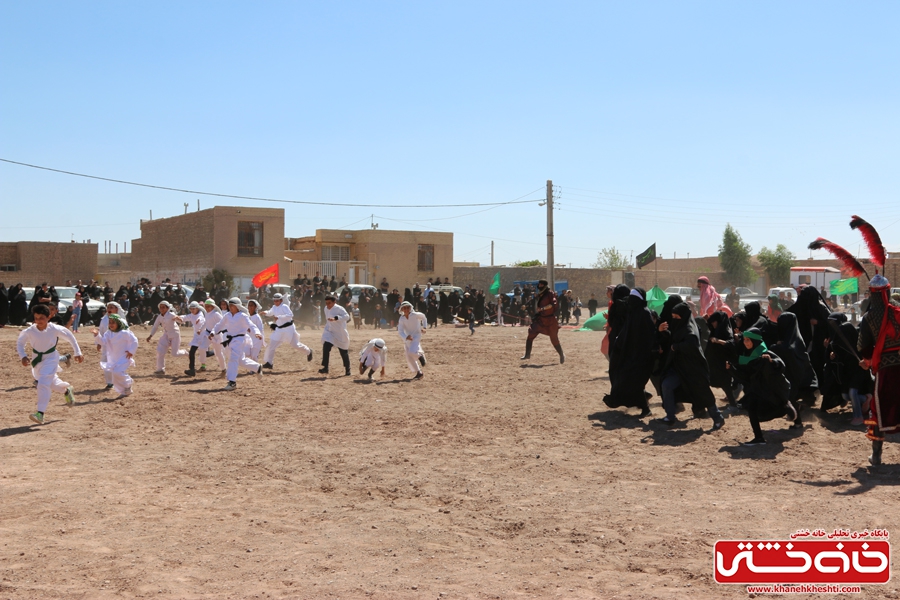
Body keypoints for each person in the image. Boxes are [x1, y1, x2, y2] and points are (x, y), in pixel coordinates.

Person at [657, 303, 725, 429]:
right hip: (678, 368)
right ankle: (670, 417)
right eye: (673, 317)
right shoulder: (680, 327)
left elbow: (691, 343)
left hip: (693, 369)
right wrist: (663, 332)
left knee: (703, 393)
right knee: (667, 385)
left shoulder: (690, 329)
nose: (675, 320)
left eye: (677, 317)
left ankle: (717, 417)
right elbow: (674, 338)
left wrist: (676, 347)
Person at [857, 273, 900, 465]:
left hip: (886, 370)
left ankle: (876, 456)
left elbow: (864, 347)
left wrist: (866, 360)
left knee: (879, 410)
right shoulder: (899, 311)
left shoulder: (869, 317)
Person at [17, 304, 83, 424]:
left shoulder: (54, 328)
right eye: (36, 318)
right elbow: (20, 343)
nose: (38, 321)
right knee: (52, 384)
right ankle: (66, 390)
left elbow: (70, 337)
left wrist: (77, 352)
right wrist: (23, 356)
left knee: (42, 383)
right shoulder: (30, 331)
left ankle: (40, 413)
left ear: (48, 317)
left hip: (51, 358)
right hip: (37, 360)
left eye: (41, 317)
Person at [728, 328, 796, 445]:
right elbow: (745, 376)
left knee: (772, 408)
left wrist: (771, 362)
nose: (746, 342)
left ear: (755, 341)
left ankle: (788, 411)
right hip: (757, 390)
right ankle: (759, 437)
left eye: (748, 340)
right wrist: (731, 369)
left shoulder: (765, 353)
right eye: (744, 340)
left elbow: (781, 365)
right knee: (753, 410)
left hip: (770, 390)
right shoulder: (748, 356)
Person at [603, 288, 657, 415]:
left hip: (640, 356)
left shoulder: (644, 313)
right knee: (627, 380)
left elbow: (649, 335)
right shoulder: (633, 312)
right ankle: (640, 402)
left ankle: (645, 408)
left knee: (634, 382)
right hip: (629, 354)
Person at [210, 297, 263, 391]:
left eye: (232, 305)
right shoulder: (227, 315)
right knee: (240, 360)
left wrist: (257, 332)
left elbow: (251, 325)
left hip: (239, 340)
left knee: (233, 359)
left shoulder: (243, 315)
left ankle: (232, 382)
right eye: (229, 305)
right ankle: (257, 367)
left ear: (238, 306)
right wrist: (213, 332)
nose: (230, 307)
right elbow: (219, 324)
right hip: (229, 340)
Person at [260, 293, 313, 369]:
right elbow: (270, 313)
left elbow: (290, 315)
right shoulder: (274, 307)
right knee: (271, 346)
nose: (275, 302)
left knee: (295, 345)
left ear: (281, 300)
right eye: (274, 301)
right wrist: (264, 312)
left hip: (289, 329)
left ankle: (309, 351)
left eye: (277, 301)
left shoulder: (284, 306)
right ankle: (269, 363)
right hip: (279, 330)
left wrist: (279, 317)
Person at [92, 314, 138, 398]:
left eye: (113, 322)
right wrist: (97, 335)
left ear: (118, 323)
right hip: (114, 358)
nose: (111, 324)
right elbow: (103, 342)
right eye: (110, 322)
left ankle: (128, 382)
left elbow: (134, 341)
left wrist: (131, 351)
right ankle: (125, 391)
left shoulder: (124, 332)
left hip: (124, 356)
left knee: (118, 372)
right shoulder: (108, 333)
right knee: (115, 376)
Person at [520, 279, 565, 364]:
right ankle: (527, 354)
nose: (539, 286)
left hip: (550, 321)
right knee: (531, 333)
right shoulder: (540, 295)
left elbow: (553, 305)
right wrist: (527, 307)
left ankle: (561, 355)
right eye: (539, 284)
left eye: (541, 285)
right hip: (540, 320)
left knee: (554, 339)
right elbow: (535, 303)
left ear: (545, 285)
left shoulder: (550, 294)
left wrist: (543, 308)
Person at [146, 301, 186, 375]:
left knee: (175, 354)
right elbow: (155, 326)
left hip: (175, 335)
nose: (161, 309)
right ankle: (160, 369)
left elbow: (181, 321)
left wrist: (178, 318)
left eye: (163, 307)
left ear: (167, 308)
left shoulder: (171, 314)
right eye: (160, 307)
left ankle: (186, 353)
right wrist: (150, 335)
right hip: (166, 335)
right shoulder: (159, 317)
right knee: (160, 351)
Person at [95, 301, 126, 388]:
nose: (109, 309)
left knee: (117, 364)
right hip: (106, 345)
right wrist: (98, 343)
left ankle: (121, 381)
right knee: (105, 362)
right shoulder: (104, 320)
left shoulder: (121, 320)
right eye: (108, 307)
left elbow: (126, 334)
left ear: (116, 309)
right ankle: (109, 382)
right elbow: (101, 331)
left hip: (117, 346)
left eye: (111, 307)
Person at [319, 295, 352, 376]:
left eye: (329, 303)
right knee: (326, 347)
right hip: (329, 332)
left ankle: (347, 369)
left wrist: (336, 318)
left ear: (334, 302)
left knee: (343, 352)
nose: (327, 305)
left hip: (339, 333)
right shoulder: (325, 308)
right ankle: (325, 367)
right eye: (326, 303)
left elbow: (347, 317)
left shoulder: (339, 308)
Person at [397, 301, 426, 379]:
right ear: (402, 309)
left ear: (410, 308)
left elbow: (423, 317)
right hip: (408, 338)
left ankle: (420, 356)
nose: (406, 309)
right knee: (409, 357)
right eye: (404, 308)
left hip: (417, 335)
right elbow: (400, 331)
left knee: (412, 352)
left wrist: (424, 327)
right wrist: (406, 337)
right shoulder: (401, 319)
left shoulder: (415, 315)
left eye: (407, 308)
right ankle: (419, 373)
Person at [197, 299, 227, 373]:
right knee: (201, 348)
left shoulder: (216, 314)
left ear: (213, 307)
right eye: (206, 306)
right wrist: (200, 329)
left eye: (209, 306)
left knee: (218, 354)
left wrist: (214, 331)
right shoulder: (207, 314)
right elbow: (206, 323)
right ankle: (203, 365)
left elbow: (223, 324)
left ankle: (224, 369)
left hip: (217, 336)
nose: (207, 308)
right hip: (207, 334)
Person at [181, 301, 207, 376]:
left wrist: (198, 320)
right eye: (191, 309)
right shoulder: (192, 315)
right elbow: (186, 317)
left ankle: (216, 351)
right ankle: (192, 369)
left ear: (197, 309)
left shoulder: (200, 315)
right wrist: (178, 317)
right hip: (197, 337)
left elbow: (200, 318)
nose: (192, 310)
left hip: (202, 336)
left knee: (206, 353)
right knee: (192, 352)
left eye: (193, 309)